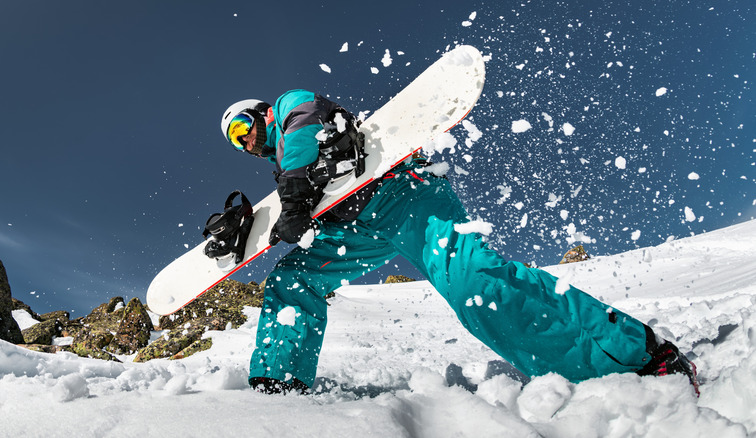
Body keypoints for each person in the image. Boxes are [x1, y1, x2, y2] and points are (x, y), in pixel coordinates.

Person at [219, 89, 700, 396]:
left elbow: (302, 131)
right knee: (292, 280)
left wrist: (295, 196)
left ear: (260, 112)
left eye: (243, 128)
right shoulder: (283, 173)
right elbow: (297, 198)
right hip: (355, 229)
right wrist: (245, 227)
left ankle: (640, 355)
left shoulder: (291, 108)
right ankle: (278, 385)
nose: (246, 142)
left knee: (475, 286)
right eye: (236, 144)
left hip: (404, 196)